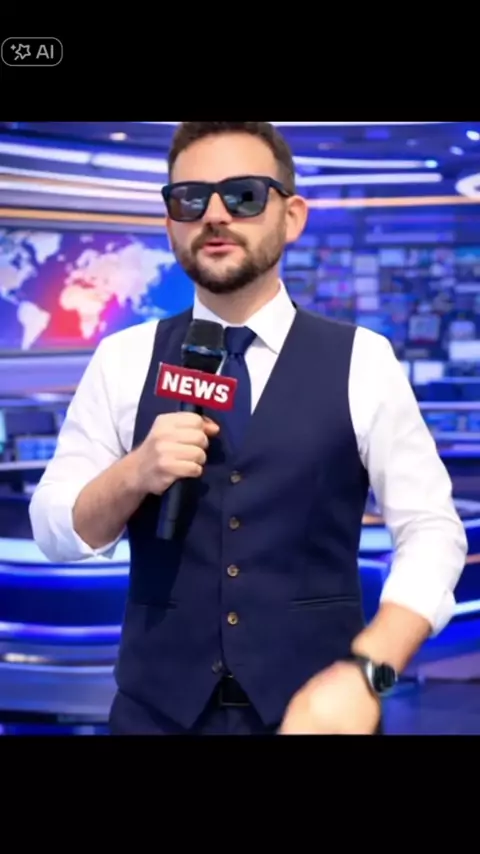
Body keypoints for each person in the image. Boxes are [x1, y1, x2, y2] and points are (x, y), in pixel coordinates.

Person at [29, 121, 467, 736]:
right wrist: (133, 474)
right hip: (154, 717)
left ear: (292, 216)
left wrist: (370, 673)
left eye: (243, 195)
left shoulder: (363, 359)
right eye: (190, 198)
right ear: (170, 223)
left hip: (317, 719)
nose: (214, 215)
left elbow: (433, 533)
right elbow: (54, 529)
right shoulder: (122, 359)